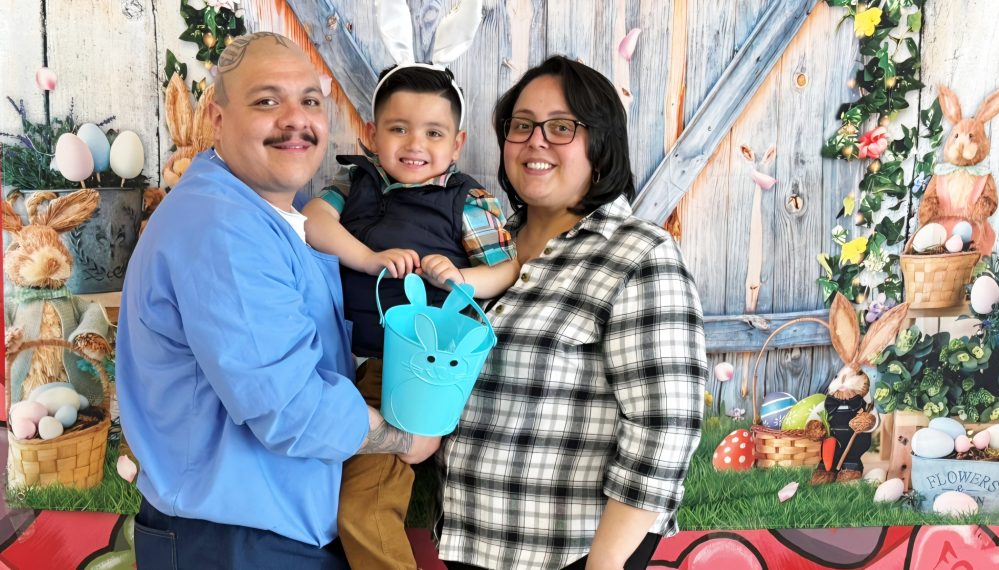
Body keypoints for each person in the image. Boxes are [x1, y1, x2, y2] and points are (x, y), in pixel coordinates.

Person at [115, 32, 438, 569]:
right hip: (233, 544)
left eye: (310, 101)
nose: (295, 118)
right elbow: (291, 409)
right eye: (267, 101)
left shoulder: (281, 215)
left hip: (261, 536)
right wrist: (404, 439)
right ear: (217, 120)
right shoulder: (223, 228)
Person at [436, 56, 708, 570]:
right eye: (521, 126)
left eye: (561, 127)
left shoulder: (636, 253)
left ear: (601, 146)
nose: (535, 140)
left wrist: (604, 566)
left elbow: (664, 427)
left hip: (573, 555)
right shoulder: (482, 249)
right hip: (470, 543)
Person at [301, 64, 519, 570]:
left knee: (365, 505)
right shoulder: (354, 181)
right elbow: (312, 221)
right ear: (373, 134)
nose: (414, 143)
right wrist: (369, 258)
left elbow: (507, 271)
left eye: (434, 132)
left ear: (458, 142)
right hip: (334, 362)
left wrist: (461, 280)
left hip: (404, 371)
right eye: (398, 128)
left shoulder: (467, 201)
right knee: (312, 492)